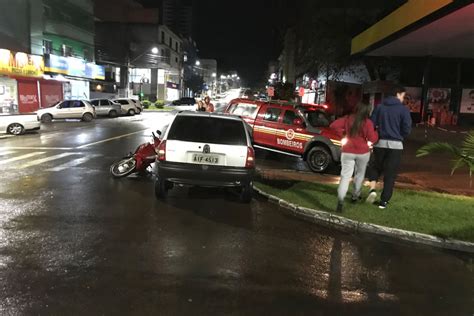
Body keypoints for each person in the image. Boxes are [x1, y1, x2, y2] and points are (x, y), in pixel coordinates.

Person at [366, 84, 412, 209]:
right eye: (403, 95)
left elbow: (371, 124)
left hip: (380, 143)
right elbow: (407, 128)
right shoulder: (403, 110)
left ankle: (372, 189)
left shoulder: (379, 107)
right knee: (390, 173)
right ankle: (384, 201)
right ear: (398, 94)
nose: (403, 98)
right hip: (396, 145)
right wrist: (399, 135)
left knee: (375, 167)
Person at [330, 103, 378, 212]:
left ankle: (341, 199)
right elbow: (372, 138)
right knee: (360, 175)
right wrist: (376, 133)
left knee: (345, 176)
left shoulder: (347, 119)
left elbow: (333, 125)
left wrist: (342, 134)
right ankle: (355, 196)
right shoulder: (368, 123)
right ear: (367, 111)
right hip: (363, 152)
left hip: (347, 151)